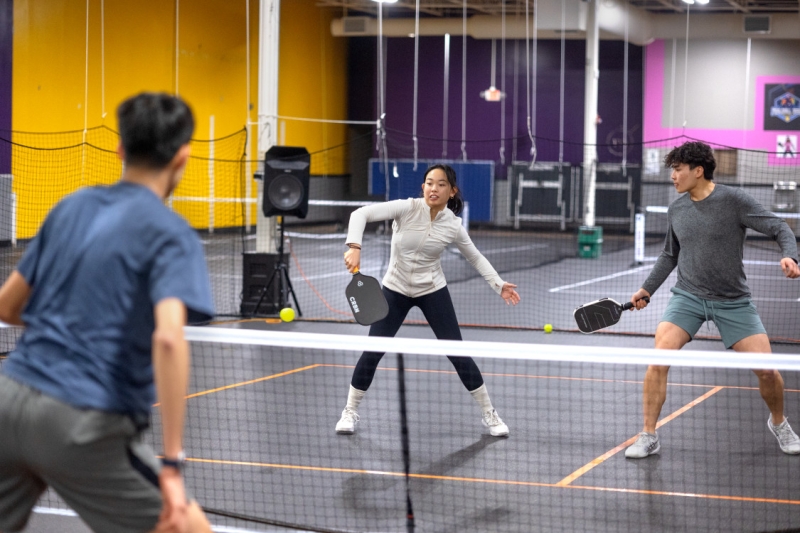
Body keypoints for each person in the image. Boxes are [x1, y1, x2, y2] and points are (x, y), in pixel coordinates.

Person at [0, 93, 215, 532]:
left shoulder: (71, 206)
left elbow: (7, 306)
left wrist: (72, 323)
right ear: (182, 157)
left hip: (7, 398)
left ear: (120, 149)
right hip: (80, 419)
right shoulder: (171, 234)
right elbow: (168, 339)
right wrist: (172, 465)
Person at [625, 141, 800, 459]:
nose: (673, 176)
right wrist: (647, 288)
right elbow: (670, 255)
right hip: (688, 297)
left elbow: (778, 226)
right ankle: (648, 434)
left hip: (733, 301)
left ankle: (779, 422)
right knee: (658, 360)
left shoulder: (733, 200)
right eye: (672, 170)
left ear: (698, 171)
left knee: (767, 371)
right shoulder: (677, 209)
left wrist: (790, 255)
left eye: (678, 169)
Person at [335, 164, 521, 437]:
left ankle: (489, 414)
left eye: (441, 184)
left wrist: (498, 284)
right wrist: (354, 246)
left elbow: (475, 256)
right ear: (423, 187)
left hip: (432, 289)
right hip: (395, 288)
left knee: (457, 353)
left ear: (451, 191)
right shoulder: (406, 208)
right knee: (373, 350)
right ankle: (349, 411)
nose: (434, 188)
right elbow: (360, 214)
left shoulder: (453, 225)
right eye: (430, 183)